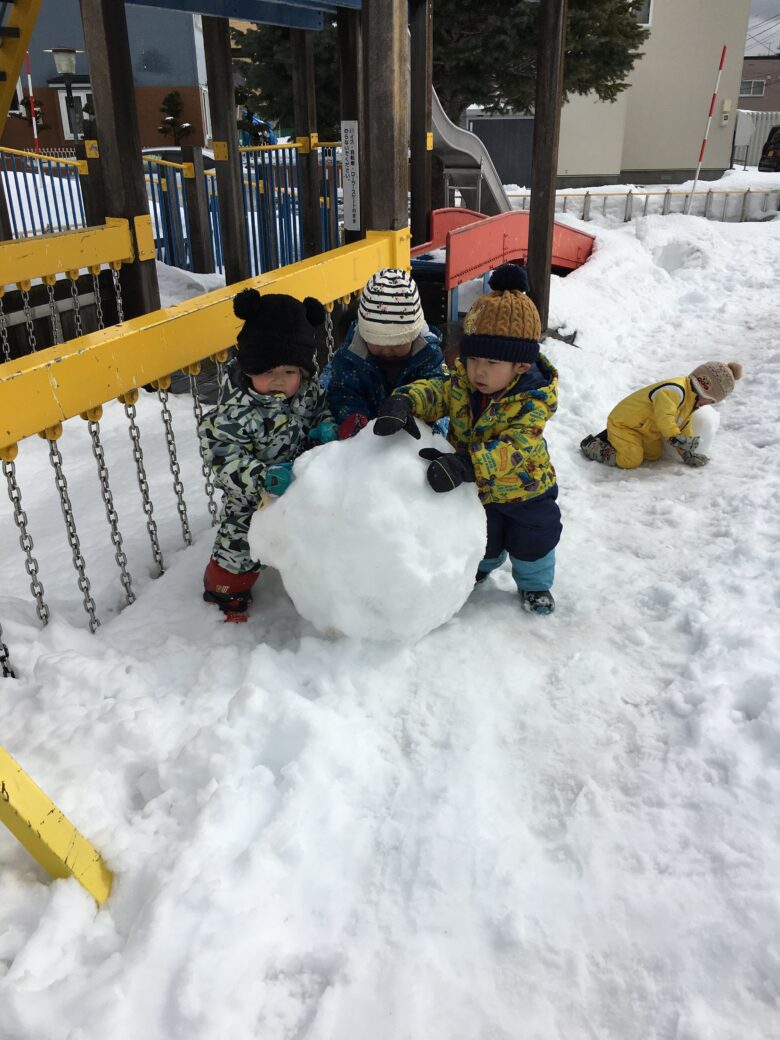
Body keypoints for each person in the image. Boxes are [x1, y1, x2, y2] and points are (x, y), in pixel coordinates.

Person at [372, 263, 562, 615]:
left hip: (526, 491)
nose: (478, 370)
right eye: (472, 358)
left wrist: (466, 463)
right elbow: (437, 392)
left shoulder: (533, 402)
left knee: (533, 541)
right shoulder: (464, 384)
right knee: (483, 536)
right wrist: (405, 400)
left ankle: (535, 584)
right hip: (479, 490)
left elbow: (517, 448)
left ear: (521, 365)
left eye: (491, 362)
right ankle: (476, 569)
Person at [199, 288, 337, 622]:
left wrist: (326, 430)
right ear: (248, 370)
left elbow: (320, 414)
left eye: (289, 372)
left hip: (302, 486)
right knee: (240, 543)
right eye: (267, 371)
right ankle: (226, 591)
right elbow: (225, 461)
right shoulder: (229, 416)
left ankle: (318, 582)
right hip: (253, 498)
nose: (278, 380)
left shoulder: (308, 393)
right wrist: (262, 477)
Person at [324, 268, 445, 439]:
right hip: (366, 436)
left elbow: (439, 392)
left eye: (397, 344)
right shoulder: (350, 357)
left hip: (412, 434)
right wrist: (356, 423)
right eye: (378, 343)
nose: (387, 351)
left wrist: (410, 407)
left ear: (414, 335)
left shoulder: (428, 355)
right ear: (365, 335)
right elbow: (343, 394)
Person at [580, 361, 743, 469]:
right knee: (631, 460)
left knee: (654, 455)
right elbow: (664, 417)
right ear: (705, 390)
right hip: (624, 423)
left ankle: (619, 442)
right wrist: (675, 437)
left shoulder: (690, 399)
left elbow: (683, 425)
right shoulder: (674, 390)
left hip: (645, 429)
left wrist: (686, 452)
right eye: (710, 401)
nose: (708, 405)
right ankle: (594, 446)